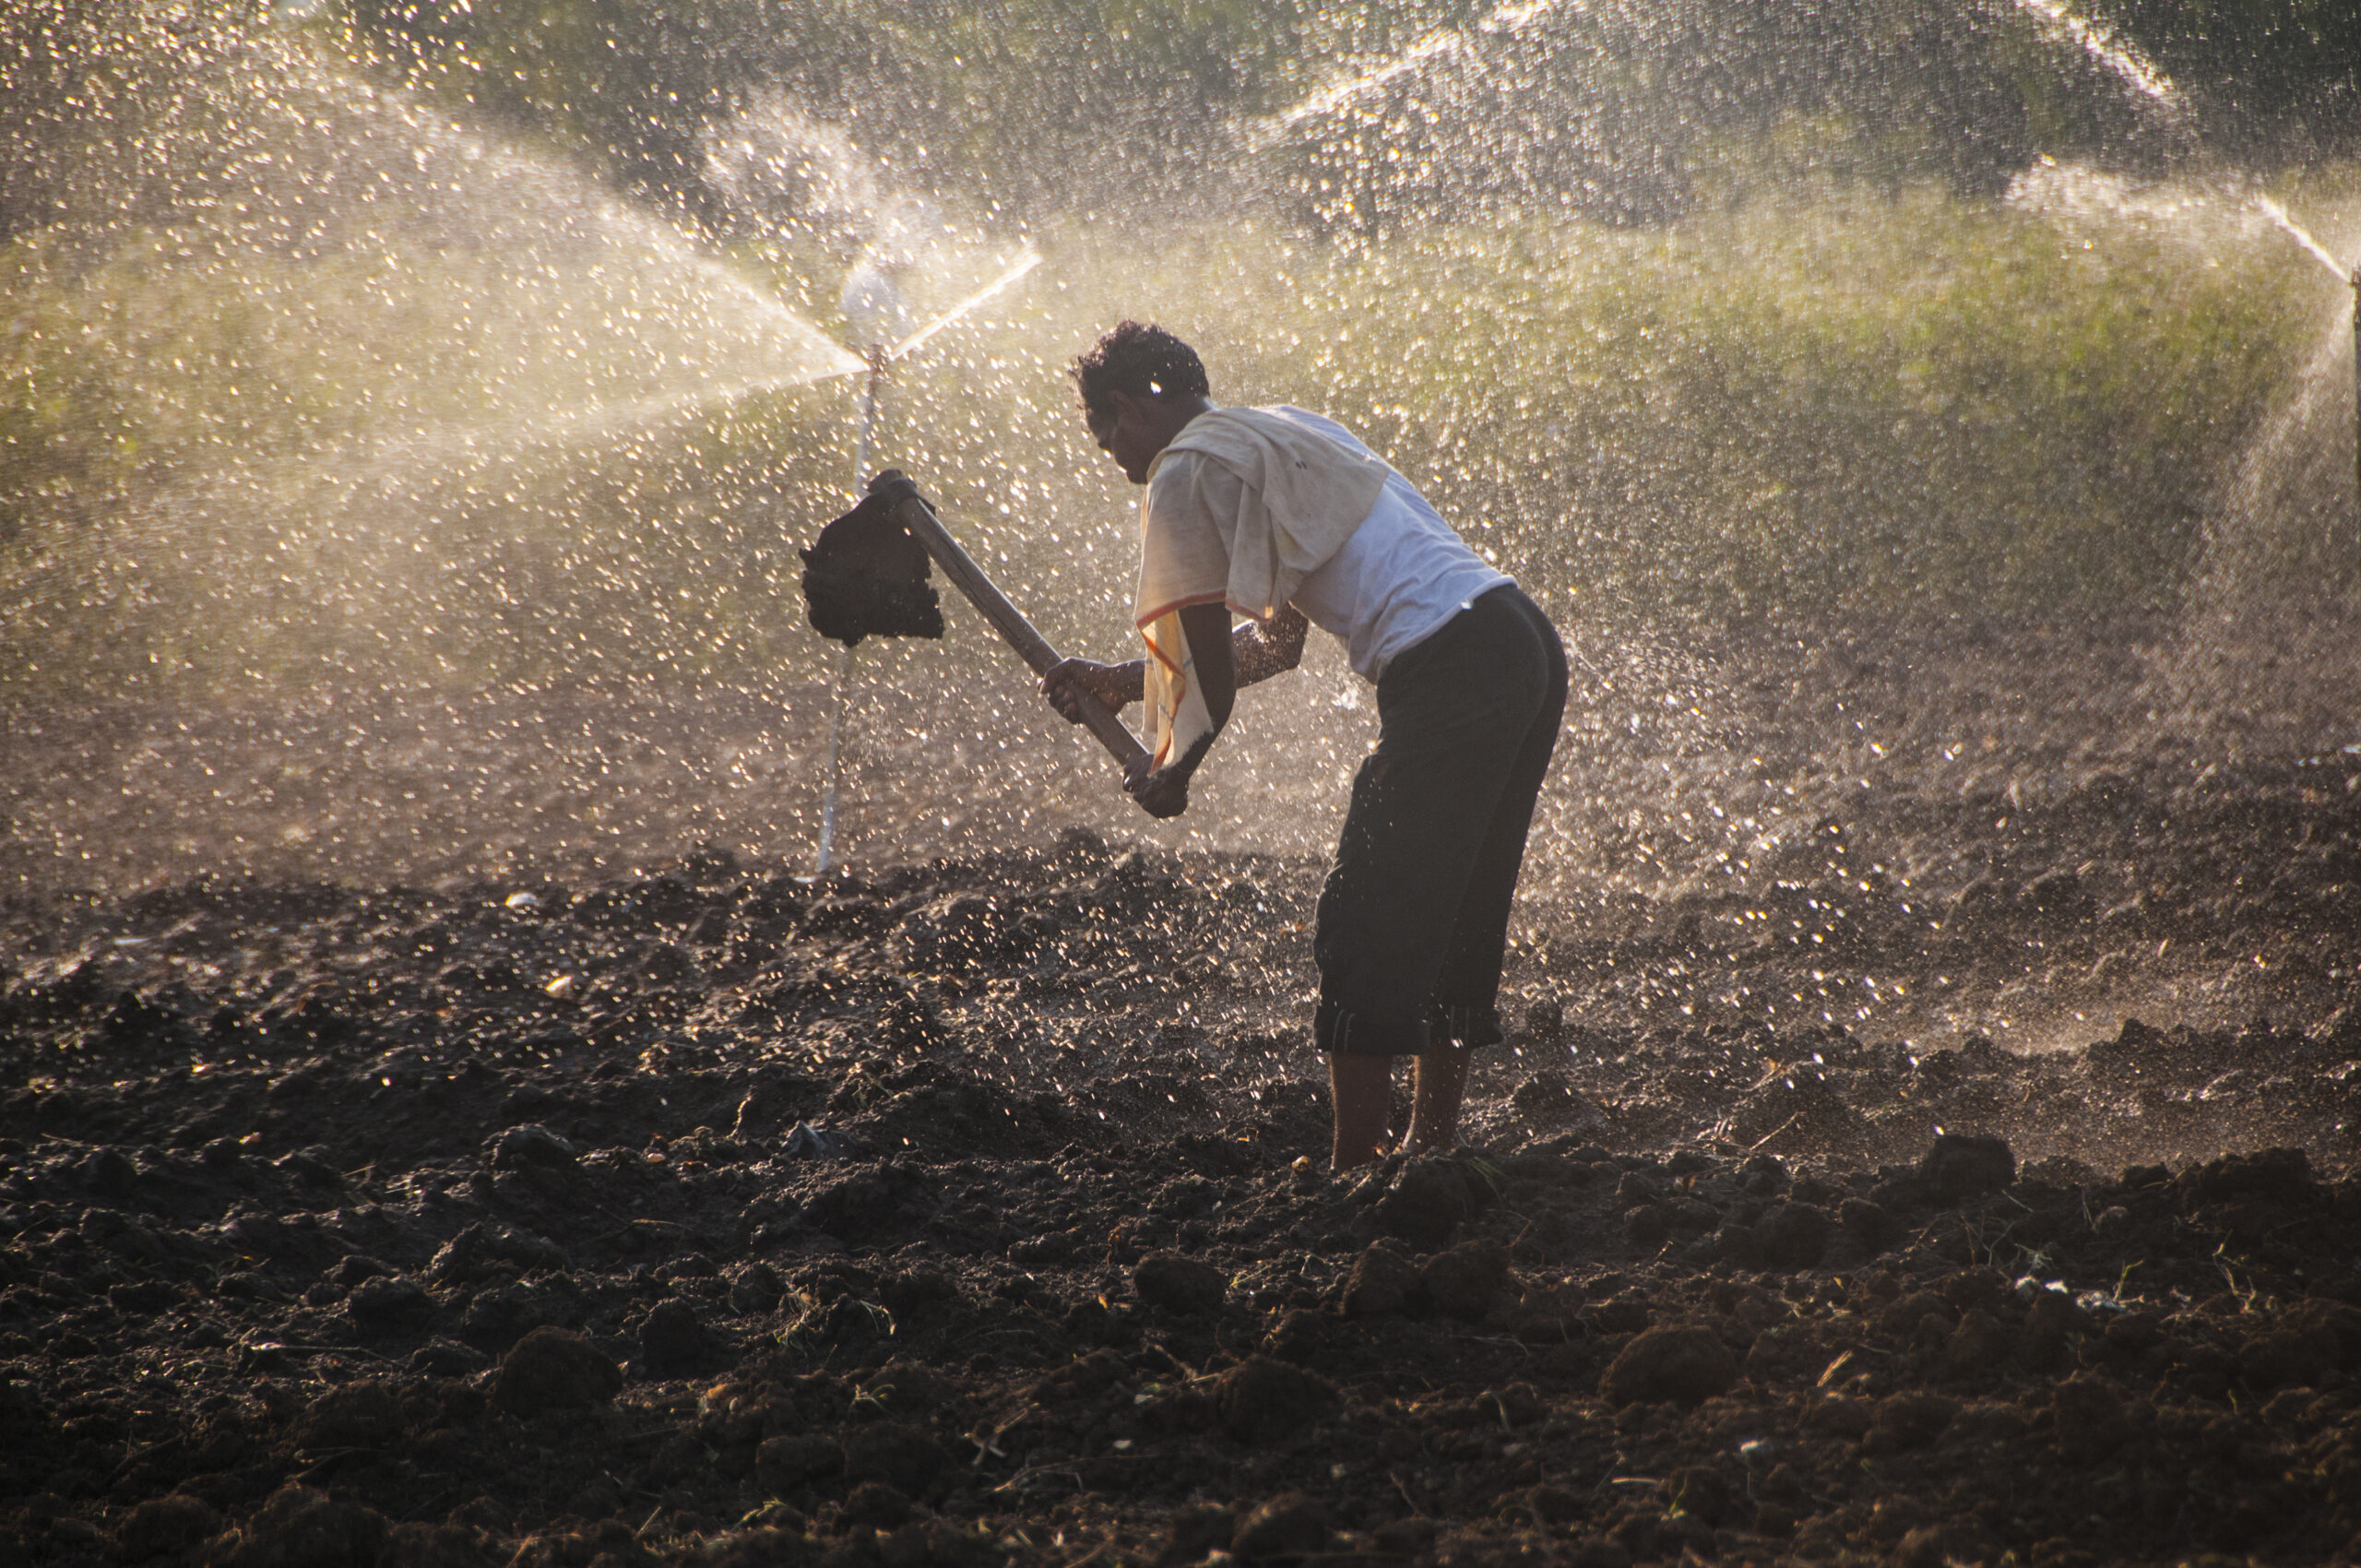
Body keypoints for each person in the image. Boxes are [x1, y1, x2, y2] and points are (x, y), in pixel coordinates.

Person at [1041, 321, 1568, 1170]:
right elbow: (1275, 648)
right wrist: (1122, 681)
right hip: (1517, 639)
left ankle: (1353, 1168)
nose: (1111, 456)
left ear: (1128, 408)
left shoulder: (1183, 467)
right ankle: (1427, 1147)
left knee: (1367, 911)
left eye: (1104, 434)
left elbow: (1207, 665)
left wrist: (1172, 771)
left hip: (1452, 668)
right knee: (1456, 900)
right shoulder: (1283, 428)